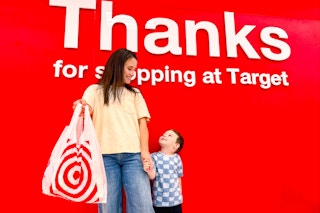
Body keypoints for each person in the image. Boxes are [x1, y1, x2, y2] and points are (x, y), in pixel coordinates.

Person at [72, 48, 155, 213]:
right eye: (129, 68)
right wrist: (81, 107)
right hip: (104, 158)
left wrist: (145, 153)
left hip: (134, 157)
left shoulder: (135, 94)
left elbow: (143, 124)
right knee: (108, 208)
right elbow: (86, 109)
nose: (133, 74)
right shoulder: (95, 90)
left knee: (143, 208)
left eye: (134, 70)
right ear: (117, 66)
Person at [143, 129, 184, 213]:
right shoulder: (153, 157)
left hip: (176, 202)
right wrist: (148, 169)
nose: (164, 135)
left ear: (176, 145)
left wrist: (180, 194)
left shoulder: (177, 158)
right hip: (159, 202)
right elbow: (152, 176)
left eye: (169, 135)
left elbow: (178, 178)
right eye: (164, 134)